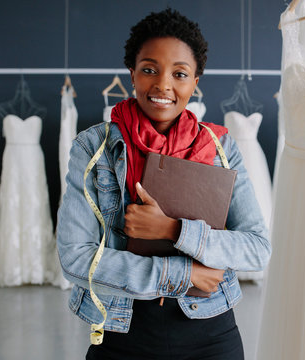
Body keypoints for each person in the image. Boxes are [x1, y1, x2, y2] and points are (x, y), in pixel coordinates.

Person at [57, 8, 271, 360]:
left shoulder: (220, 147)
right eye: (149, 70)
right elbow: (75, 258)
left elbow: (256, 247)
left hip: (212, 336)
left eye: (180, 74)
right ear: (132, 73)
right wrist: (182, 275)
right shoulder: (93, 148)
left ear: (196, 81)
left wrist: (173, 228)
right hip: (123, 336)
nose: (163, 85)